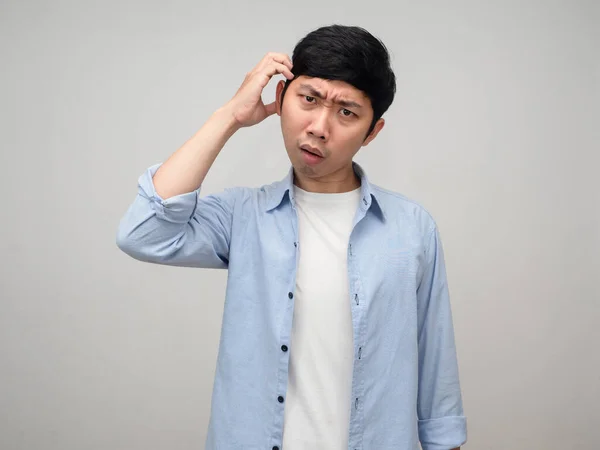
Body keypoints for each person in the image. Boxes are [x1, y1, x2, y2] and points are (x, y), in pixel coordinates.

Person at [116, 24, 467, 450]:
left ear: (372, 132)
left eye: (347, 112)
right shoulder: (243, 216)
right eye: (309, 99)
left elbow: (436, 361)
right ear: (281, 99)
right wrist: (230, 116)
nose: (319, 127)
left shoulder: (411, 228)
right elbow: (143, 232)